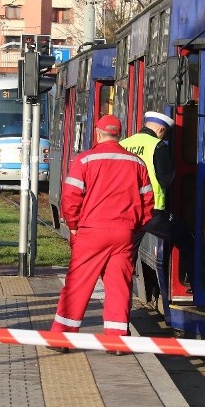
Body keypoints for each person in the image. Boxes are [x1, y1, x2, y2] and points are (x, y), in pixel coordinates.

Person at [49, 115, 153, 352]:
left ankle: (63, 337)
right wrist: (134, 225)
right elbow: (148, 201)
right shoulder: (136, 163)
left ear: (97, 134)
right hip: (123, 233)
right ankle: (117, 340)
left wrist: (73, 224)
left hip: (91, 231)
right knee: (119, 285)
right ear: (120, 134)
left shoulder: (85, 160)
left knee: (78, 283)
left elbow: (71, 196)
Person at [120, 111, 195, 283]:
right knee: (186, 236)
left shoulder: (124, 144)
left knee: (127, 254)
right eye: (166, 133)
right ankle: (192, 283)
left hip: (126, 210)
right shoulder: (158, 146)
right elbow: (167, 178)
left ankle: (120, 290)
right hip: (151, 211)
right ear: (161, 129)